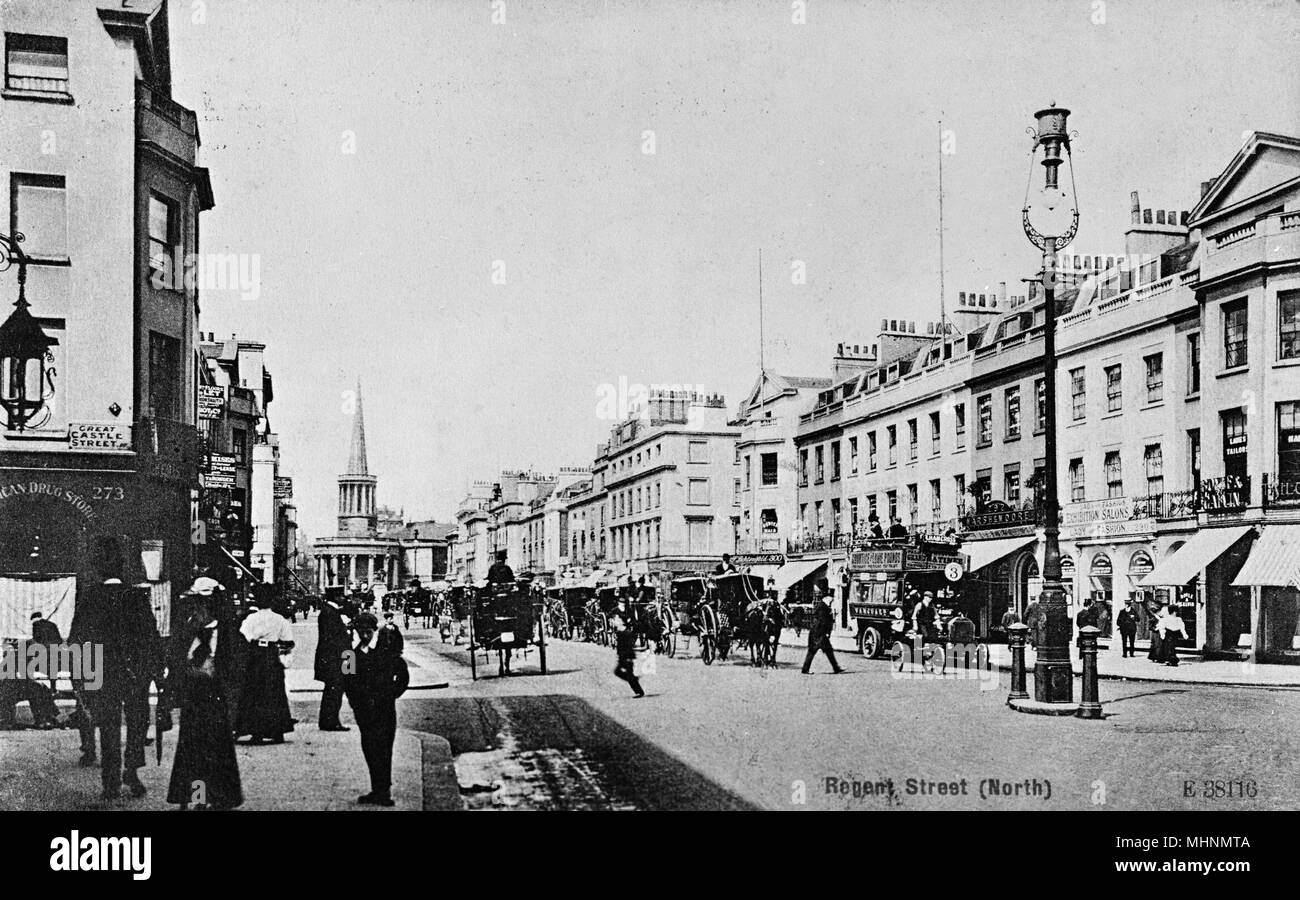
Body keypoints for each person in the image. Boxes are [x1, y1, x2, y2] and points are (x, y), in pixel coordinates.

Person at [66, 537, 162, 801]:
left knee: (108, 726)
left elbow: (77, 641)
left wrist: (81, 678)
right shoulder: (137, 598)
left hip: (104, 673)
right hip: (134, 674)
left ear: (98, 569)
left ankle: (110, 782)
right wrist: (154, 672)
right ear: (121, 568)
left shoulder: (89, 599)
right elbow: (151, 638)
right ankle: (132, 770)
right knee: (136, 722)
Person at [166, 598, 243, 810]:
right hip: (194, 696)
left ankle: (218, 796)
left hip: (216, 695)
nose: (195, 612)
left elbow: (235, 666)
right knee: (193, 750)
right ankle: (196, 798)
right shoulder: (187, 632)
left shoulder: (226, 633)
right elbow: (175, 661)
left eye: (198, 607)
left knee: (217, 748)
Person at [343, 612, 410, 806]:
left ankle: (383, 791)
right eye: (360, 631)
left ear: (374, 630)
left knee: (384, 748)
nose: (364, 635)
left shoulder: (386, 650)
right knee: (370, 749)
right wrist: (355, 702)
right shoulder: (350, 654)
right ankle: (377, 788)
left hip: (384, 709)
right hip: (363, 711)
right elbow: (346, 682)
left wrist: (392, 695)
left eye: (367, 631)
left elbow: (402, 675)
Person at [234, 596, 295, 744]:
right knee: (275, 691)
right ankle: (278, 730)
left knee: (254, 692)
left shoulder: (251, 619)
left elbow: (243, 637)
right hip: (272, 654)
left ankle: (257, 732)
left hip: (255, 655)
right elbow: (288, 641)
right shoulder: (280, 619)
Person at [315, 589, 352, 732]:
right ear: (336, 597)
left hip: (334, 658)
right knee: (335, 690)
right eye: (341, 596)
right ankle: (330, 721)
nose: (344, 598)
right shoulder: (330, 613)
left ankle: (329, 720)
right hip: (335, 659)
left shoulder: (330, 611)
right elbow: (335, 639)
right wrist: (348, 664)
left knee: (333, 690)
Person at [801, 579, 843, 675]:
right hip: (818, 633)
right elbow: (822, 622)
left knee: (826, 651)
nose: (832, 600)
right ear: (827, 598)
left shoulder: (824, 606)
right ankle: (805, 669)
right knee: (814, 651)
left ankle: (835, 668)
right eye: (831, 598)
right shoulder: (822, 607)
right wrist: (826, 633)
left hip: (818, 633)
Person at [610, 606, 645, 698]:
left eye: (616, 619)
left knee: (626, 674)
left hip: (627, 657)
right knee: (619, 672)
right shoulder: (620, 632)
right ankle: (635, 682)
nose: (614, 621)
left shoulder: (626, 633)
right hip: (623, 657)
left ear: (621, 621)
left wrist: (629, 658)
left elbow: (629, 647)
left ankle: (639, 691)